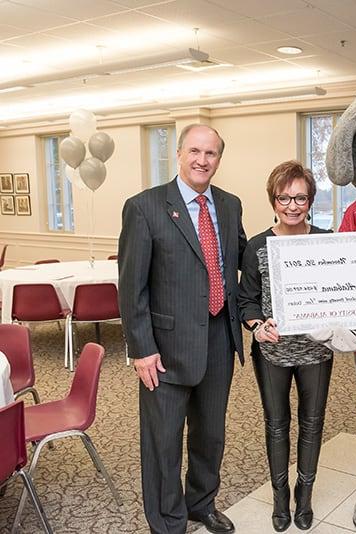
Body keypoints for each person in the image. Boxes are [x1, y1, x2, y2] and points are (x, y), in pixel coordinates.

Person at [118, 124, 246, 534]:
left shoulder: (229, 205)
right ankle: (168, 521)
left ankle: (200, 504)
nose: (201, 160)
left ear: (219, 160)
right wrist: (141, 349)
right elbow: (131, 286)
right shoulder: (145, 207)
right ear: (178, 154)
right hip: (164, 349)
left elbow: (243, 258)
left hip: (218, 340)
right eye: (194, 151)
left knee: (211, 435)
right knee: (164, 442)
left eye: (210, 154)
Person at [238, 160, 333, 532]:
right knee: (277, 425)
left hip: (316, 352)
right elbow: (246, 300)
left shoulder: (325, 241)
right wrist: (257, 326)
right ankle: (280, 500)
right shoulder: (258, 246)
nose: (292, 206)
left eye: (300, 198)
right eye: (284, 198)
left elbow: (338, 293)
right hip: (273, 352)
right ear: (273, 200)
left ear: (310, 200)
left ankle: (303, 496)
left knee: (313, 424)